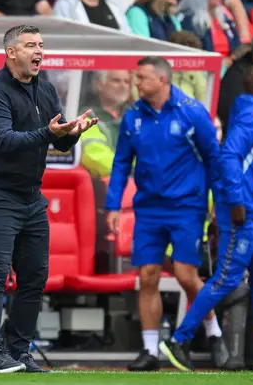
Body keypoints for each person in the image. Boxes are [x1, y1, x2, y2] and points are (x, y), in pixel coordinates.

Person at [0, 24, 98, 374]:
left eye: (41, 45)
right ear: (12, 53)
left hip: (30, 197)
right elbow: (5, 141)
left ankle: (19, 352)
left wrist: (73, 134)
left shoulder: (47, 89)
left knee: (35, 277)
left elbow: (57, 143)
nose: (38, 50)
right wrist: (48, 132)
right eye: (30, 45)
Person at [159, 65, 253, 372]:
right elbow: (229, 156)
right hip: (245, 215)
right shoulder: (252, 118)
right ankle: (179, 339)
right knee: (226, 280)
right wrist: (236, 202)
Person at [104, 56, 228, 372]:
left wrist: (219, 201)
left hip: (187, 206)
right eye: (136, 77)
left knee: (186, 276)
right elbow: (121, 163)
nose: (136, 83)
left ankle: (214, 333)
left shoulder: (192, 112)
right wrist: (114, 205)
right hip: (148, 208)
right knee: (147, 276)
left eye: (142, 77)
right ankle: (149, 351)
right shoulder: (133, 117)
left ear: (162, 80)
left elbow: (214, 158)